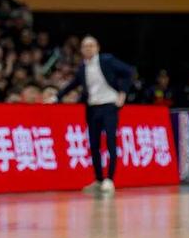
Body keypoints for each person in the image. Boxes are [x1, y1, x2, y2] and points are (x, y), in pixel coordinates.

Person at [54, 36, 133, 197]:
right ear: (81, 50)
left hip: (109, 105)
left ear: (97, 47)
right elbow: (73, 84)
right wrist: (57, 97)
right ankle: (98, 179)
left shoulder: (107, 60)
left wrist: (123, 93)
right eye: (85, 46)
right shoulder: (83, 67)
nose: (88, 49)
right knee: (94, 144)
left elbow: (128, 71)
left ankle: (109, 179)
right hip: (92, 108)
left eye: (91, 45)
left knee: (110, 141)